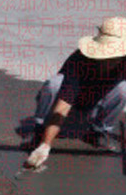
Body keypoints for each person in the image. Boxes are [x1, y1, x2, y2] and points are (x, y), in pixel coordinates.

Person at [25, 17, 126, 169]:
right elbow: (62, 107)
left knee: (123, 89)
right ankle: (40, 129)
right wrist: (46, 144)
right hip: (71, 105)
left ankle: (98, 131)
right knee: (54, 84)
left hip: (95, 106)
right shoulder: (79, 60)